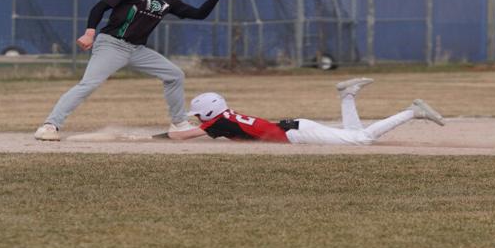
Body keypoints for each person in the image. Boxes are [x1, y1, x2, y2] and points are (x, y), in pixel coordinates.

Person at [34, 0, 231, 141]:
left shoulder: (169, 1)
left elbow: (199, 14)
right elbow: (100, 7)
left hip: (137, 50)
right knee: (89, 84)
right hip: (112, 44)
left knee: (175, 75)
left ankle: (179, 123)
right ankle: (50, 125)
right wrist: (90, 32)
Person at [165, 78, 446, 145]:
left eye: (199, 114)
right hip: (296, 127)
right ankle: (347, 95)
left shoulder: (217, 123)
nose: (199, 118)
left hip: (298, 133)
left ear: (210, 112)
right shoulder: (225, 117)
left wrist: (166, 134)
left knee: (362, 140)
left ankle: (412, 112)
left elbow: (182, 137)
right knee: (353, 134)